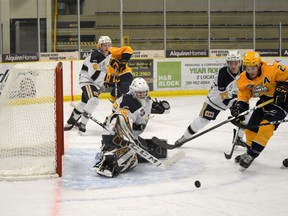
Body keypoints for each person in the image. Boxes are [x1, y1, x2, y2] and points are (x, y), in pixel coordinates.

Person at [91, 77, 170, 177]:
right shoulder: (127, 102)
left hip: (131, 137)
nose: (142, 95)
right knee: (131, 160)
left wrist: (160, 107)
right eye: (139, 93)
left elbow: (143, 109)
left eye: (144, 92)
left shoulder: (146, 100)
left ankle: (113, 153)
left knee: (153, 151)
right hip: (114, 135)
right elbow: (121, 117)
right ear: (132, 91)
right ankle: (108, 160)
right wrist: (125, 137)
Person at [175, 50, 245, 147]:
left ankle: (239, 138)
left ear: (240, 62)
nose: (233, 66)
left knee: (245, 115)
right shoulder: (223, 73)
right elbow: (223, 95)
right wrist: (234, 104)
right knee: (202, 121)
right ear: (227, 63)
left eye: (236, 63)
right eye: (231, 63)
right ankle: (184, 138)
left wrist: (237, 103)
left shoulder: (244, 72)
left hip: (233, 98)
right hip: (216, 100)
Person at [230, 51, 288, 169]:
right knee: (251, 128)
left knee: (266, 126)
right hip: (266, 99)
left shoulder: (272, 68)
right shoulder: (243, 79)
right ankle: (249, 151)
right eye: (248, 68)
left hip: (283, 101)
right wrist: (240, 108)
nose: (250, 71)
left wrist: (284, 87)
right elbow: (244, 96)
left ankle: (251, 155)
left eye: (253, 68)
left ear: (259, 65)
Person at [64, 36, 112, 133]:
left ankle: (70, 122)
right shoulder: (95, 56)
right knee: (93, 100)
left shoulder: (109, 55)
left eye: (108, 45)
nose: (106, 47)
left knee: (84, 103)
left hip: (95, 83)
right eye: (104, 45)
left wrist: (104, 83)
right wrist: (107, 80)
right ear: (100, 46)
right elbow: (93, 75)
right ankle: (83, 123)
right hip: (87, 81)